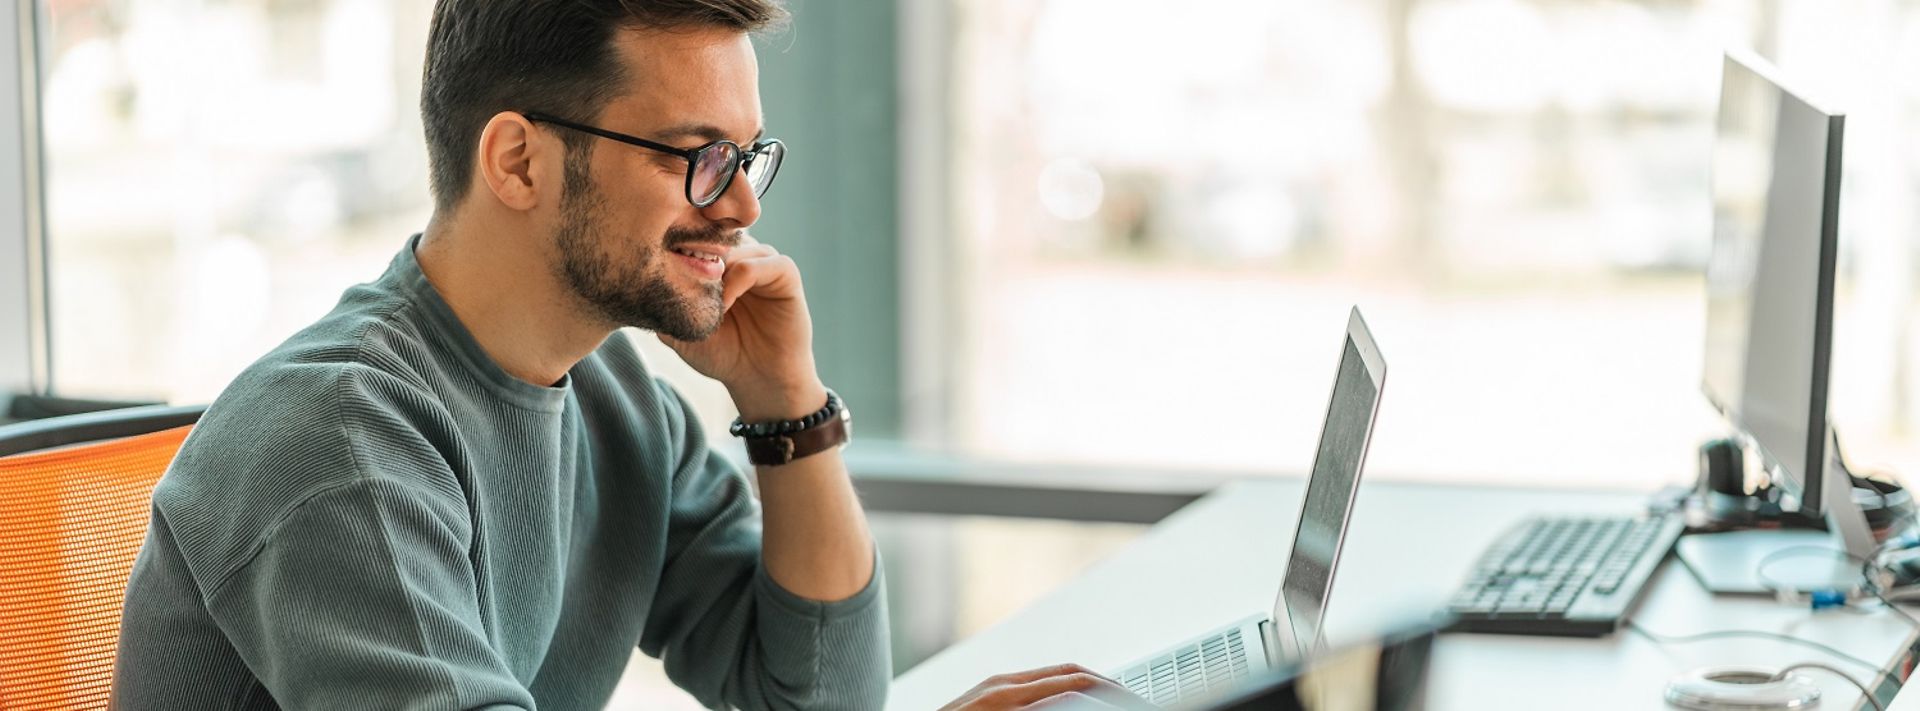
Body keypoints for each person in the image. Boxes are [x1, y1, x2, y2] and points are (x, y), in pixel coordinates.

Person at [111, 1, 1148, 709]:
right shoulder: (338, 440)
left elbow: (822, 695)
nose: (740, 204)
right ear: (519, 160)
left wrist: (789, 407)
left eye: (745, 157)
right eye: (698, 156)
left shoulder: (610, 394)